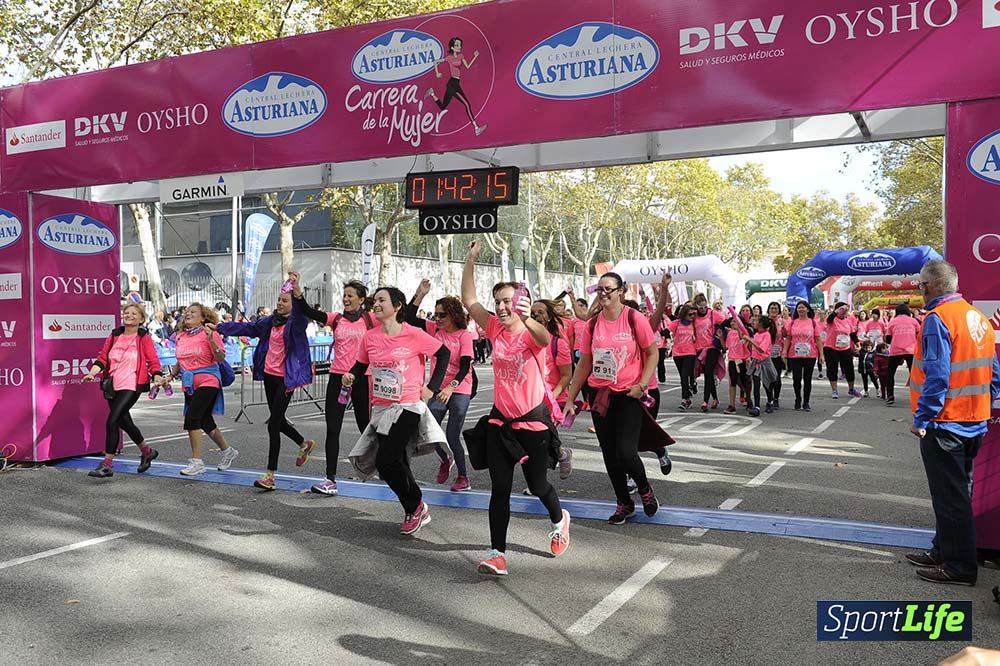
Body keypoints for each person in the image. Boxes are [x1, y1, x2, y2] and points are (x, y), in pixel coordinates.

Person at [462, 241, 570, 575]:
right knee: (500, 491)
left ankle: (559, 518)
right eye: (499, 303)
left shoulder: (530, 333)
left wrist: (525, 316)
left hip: (533, 425)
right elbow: (470, 301)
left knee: (538, 486)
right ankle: (497, 553)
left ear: (519, 302)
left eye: (507, 301)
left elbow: (543, 339)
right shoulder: (494, 327)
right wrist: (470, 260)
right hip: (500, 425)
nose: (501, 307)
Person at [905, 260, 1000, 586]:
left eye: (920, 284)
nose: (919, 289)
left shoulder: (937, 319)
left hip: (945, 423)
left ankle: (959, 567)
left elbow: (937, 376)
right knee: (957, 494)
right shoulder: (977, 318)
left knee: (949, 498)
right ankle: (942, 550)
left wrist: (923, 417)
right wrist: (980, 406)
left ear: (927, 286)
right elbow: (995, 374)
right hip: (973, 421)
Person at [344, 287, 452, 536]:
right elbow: (360, 366)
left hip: (408, 405)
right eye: (376, 300)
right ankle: (414, 508)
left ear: (398, 305)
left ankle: (416, 505)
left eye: (382, 300)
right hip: (382, 407)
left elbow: (443, 354)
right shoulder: (369, 337)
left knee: (386, 459)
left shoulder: (413, 334)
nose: (377, 304)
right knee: (396, 463)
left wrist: (432, 388)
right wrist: (351, 375)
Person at [565, 270, 660, 525]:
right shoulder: (592, 324)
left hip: (629, 394)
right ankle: (623, 503)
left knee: (626, 452)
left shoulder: (633, 318)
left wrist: (642, 384)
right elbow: (584, 363)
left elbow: (652, 353)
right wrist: (570, 398)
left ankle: (644, 488)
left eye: (609, 289)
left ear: (621, 291)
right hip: (600, 395)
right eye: (600, 289)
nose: (604, 293)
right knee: (609, 454)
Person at [218, 273, 315, 489]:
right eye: (279, 300)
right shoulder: (269, 322)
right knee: (278, 421)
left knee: (273, 425)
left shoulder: (297, 323)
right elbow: (246, 328)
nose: (280, 304)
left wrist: (298, 294)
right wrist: (219, 327)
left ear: (293, 305)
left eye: (285, 301)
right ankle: (304, 443)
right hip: (269, 377)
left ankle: (270, 475)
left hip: (287, 379)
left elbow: (303, 316)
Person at [298, 280, 375, 496]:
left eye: (351, 296)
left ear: (361, 300)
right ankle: (330, 479)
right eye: (345, 295)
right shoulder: (336, 318)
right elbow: (308, 311)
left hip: (362, 377)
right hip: (338, 377)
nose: (346, 299)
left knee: (365, 426)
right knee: (333, 428)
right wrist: (297, 292)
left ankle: (380, 464)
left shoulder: (371, 319)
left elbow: (397, 324)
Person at [82, 303, 166, 478]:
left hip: (132, 384)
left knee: (112, 421)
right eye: (126, 312)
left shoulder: (143, 336)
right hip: (113, 384)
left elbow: (153, 359)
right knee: (124, 422)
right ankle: (147, 451)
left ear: (141, 319)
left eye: (134, 313)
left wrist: (157, 375)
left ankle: (107, 464)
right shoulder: (115, 335)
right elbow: (103, 357)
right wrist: (92, 373)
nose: (129, 315)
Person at [407, 279, 476, 491]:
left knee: (452, 435)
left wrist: (451, 387)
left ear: (454, 315)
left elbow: (465, 365)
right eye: (435, 314)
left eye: (442, 315)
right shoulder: (433, 330)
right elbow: (409, 318)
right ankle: (446, 458)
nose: (437, 319)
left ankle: (463, 477)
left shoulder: (464, 335)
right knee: (428, 429)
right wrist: (420, 294)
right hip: (438, 388)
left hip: (460, 388)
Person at [165, 303, 239, 475]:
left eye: (193, 312)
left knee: (192, 418)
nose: (188, 314)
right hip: (189, 382)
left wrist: (212, 339)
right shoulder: (180, 336)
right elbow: (180, 361)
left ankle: (197, 462)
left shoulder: (210, 333)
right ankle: (228, 451)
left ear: (203, 318)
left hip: (208, 380)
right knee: (205, 422)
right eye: (187, 312)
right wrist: (169, 376)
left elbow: (220, 358)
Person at [529, 298, 576, 480]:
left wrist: (551, 397)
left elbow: (566, 375)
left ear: (549, 317)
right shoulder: (524, 340)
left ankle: (538, 483)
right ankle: (562, 453)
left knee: (538, 441)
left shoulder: (558, 343)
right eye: (533, 312)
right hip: (529, 399)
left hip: (553, 400)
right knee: (534, 441)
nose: (535, 315)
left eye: (540, 312)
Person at [425, 37, 486, 136]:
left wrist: (475, 56)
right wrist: (437, 73)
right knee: (467, 104)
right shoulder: (449, 58)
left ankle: (432, 93)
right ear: (452, 47)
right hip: (452, 84)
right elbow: (435, 62)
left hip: (456, 83)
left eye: (460, 45)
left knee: (443, 106)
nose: (459, 47)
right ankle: (476, 128)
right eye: (457, 45)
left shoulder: (461, 56)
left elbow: (468, 66)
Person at [693, 293, 728, 411]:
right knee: (708, 374)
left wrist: (722, 338)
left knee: (708, 372)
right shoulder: (694, 316)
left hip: (712, 347)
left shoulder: (713, 314)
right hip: (699, 348)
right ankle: (715, 398)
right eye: (700, 307)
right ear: (696, 306)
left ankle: (705, 401)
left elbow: (727, 323)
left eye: (704, 306)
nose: (703, 309)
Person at [785, 301, 822, 412]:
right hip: (794, 355)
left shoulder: (813, 322)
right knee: (796, 379)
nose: (800, 309)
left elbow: (818, 339)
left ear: (807, 309)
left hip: (810, 354)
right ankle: (798, 398)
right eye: (799, 308)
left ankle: (806, 402)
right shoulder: (792, 323)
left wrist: (821, 355)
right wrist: (784, 352)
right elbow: (788, 338)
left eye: (803, 307)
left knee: (807, 379)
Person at [884, 303, 922, 406]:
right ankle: (917, 396)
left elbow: (888, 339)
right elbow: (919, 334)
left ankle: (890, 396)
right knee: (914, 374)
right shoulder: (913, 321)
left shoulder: (893, 321)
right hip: (911, 349)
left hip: (896, 350)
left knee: (890, 374)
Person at [823, 303, 862, 399]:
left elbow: (852, 334)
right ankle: (834, 390)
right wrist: (837, 310)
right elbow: (829, 319)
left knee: (849, 368)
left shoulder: (848, 321)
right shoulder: (832, 320)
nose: (845, 312)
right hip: (831, 348)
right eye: (843, 310)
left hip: (845, 348)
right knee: (832, 369)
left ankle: (851, 389)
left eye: (846, 310)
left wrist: (857, 343)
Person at [744, 314, 778, 416]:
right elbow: (753, 348)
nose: (754, 322)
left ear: (761, 323)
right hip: (756, 361)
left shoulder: (766, 335)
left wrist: (750, 340)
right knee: (756, 382)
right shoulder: (756, 334)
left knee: (766, 383)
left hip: (765, 361)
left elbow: (761, 349)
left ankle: (770, 401)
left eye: (756, 321)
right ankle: (757, 406)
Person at [766, 301, 787, 408]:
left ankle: (776, 398)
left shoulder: (781, 321)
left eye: (775, 308)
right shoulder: (765, 321)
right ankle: (769, 398)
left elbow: (786, 335)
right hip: (766, 353)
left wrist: (784, 328)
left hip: (778, 353)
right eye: (772, 308)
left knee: (777, 377)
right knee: (768, 378)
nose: (773, 310)